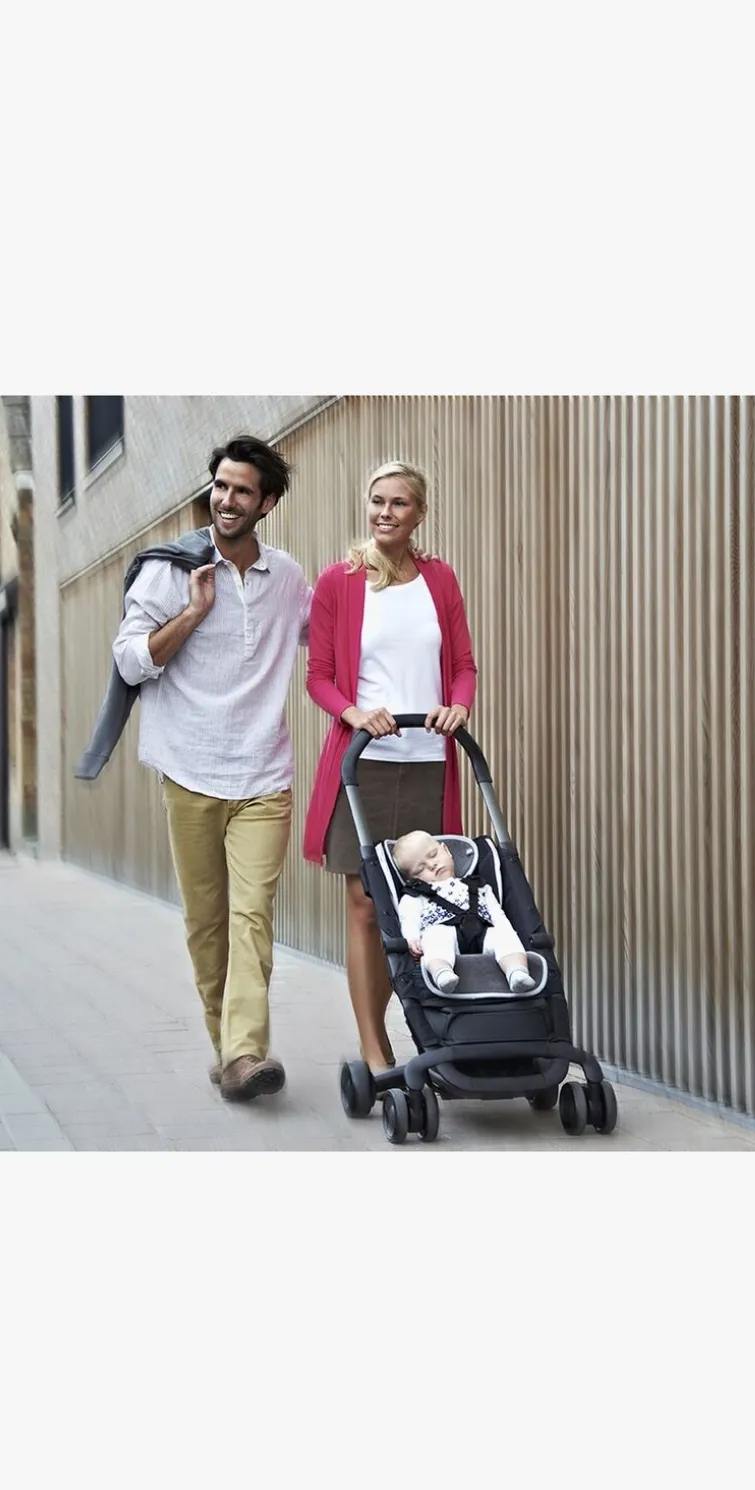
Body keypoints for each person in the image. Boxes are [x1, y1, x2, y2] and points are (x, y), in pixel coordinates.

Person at [111, 435, 312, 1102]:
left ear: (267, 503)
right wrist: (194, 613)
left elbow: (330, 632)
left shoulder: (287, 578)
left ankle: (246, 1052)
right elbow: (130, 660)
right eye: (220, 486)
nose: (226, 500)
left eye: (242, 491)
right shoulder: (170, 571)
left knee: (252, 915)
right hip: (189, 769)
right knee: (207, 922)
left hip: (263, 775)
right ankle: (226, 1049)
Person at [302, 460, 477, 1072]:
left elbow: (463, 666)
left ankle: (431, 1026)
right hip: (366, 766)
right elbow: (319, 677)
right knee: (365, 903)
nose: (385, 512)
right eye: (378, 500)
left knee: (424, 901)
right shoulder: (339, 582)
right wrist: (354, 713)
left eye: (399, 503)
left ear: (419, 513)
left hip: (428, 762)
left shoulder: (440, 580)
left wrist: (459, 705)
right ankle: (374, 1047)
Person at [393, 830, 536, 994]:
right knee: (433, 938)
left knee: (504, 936)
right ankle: (442, 973)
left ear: (446, 850)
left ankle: (517, 972)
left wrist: (507, 931)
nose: (432, 865)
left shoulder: (479, 886)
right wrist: (411, 938)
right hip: (443, 931)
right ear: (413, 879)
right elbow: (408, 918)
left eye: (433, 855)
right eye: (421, 869)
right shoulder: (416, 895)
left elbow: (498, 915)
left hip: (483, 932)